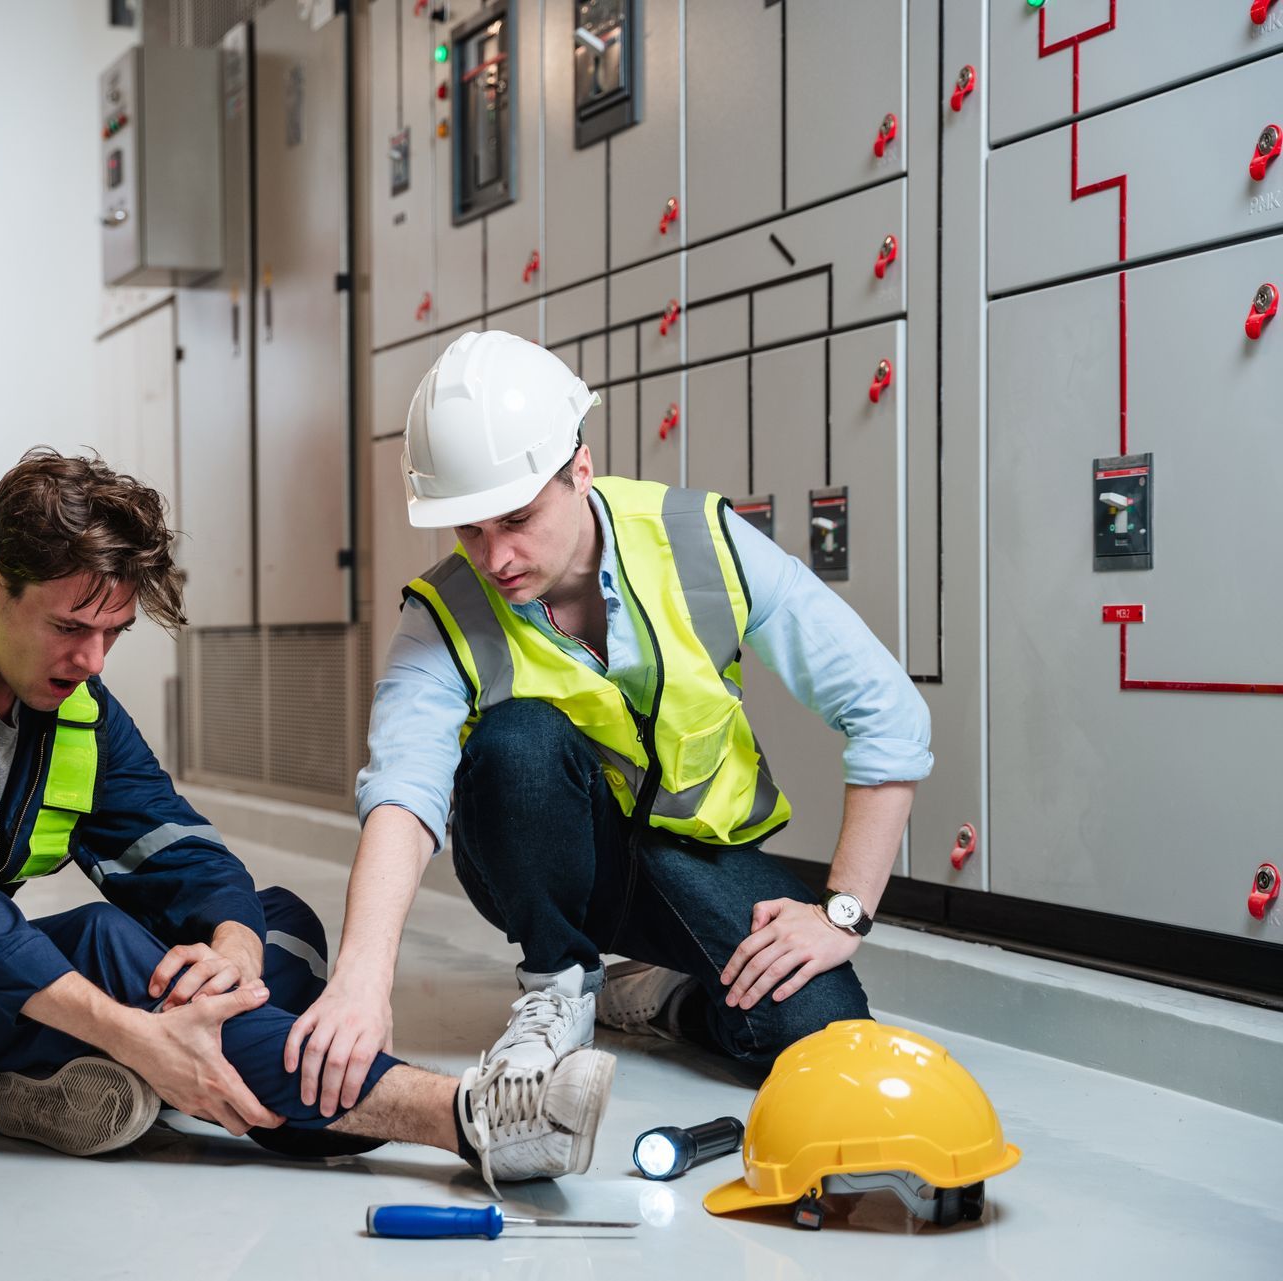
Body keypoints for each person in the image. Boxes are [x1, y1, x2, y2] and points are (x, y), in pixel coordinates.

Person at [0, 447, 614, 1190]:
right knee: (101, 947)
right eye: (69, 627)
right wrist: (132, 1027)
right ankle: (467, 1117)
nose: (92, 659)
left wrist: (233, 953)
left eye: (113, 634)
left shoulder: (69, 697)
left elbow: (190, 855)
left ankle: (68, 1087)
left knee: (273, 917)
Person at [285, 331, 932, 1118]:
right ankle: (556, 984)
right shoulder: (445, 611)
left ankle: (660, 996)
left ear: (580, 469)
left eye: (517, 518)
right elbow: (404, 785)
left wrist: (842, 912)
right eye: (470, 529)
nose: (496, 556)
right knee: (516, 740)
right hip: (545, 865)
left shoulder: (697, 541)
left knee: (819, 1031)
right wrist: (360, 976)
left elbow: (887, 711)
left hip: (689, 857)